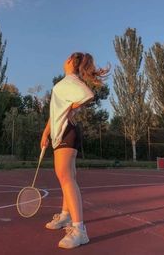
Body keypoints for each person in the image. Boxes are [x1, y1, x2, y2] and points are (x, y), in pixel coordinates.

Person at [40, 52, 110, 249]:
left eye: (66, 58)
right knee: (66, 176)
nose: (64, 60)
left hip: (66, 132)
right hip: (61, 132)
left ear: (71, 61)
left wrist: (73, 107)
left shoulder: (71, 81)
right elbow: (56, 112)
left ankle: (79, 231)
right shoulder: (65, 84)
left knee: (65, 176)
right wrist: (45, 133)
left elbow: (89, 95)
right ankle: (65, 216)